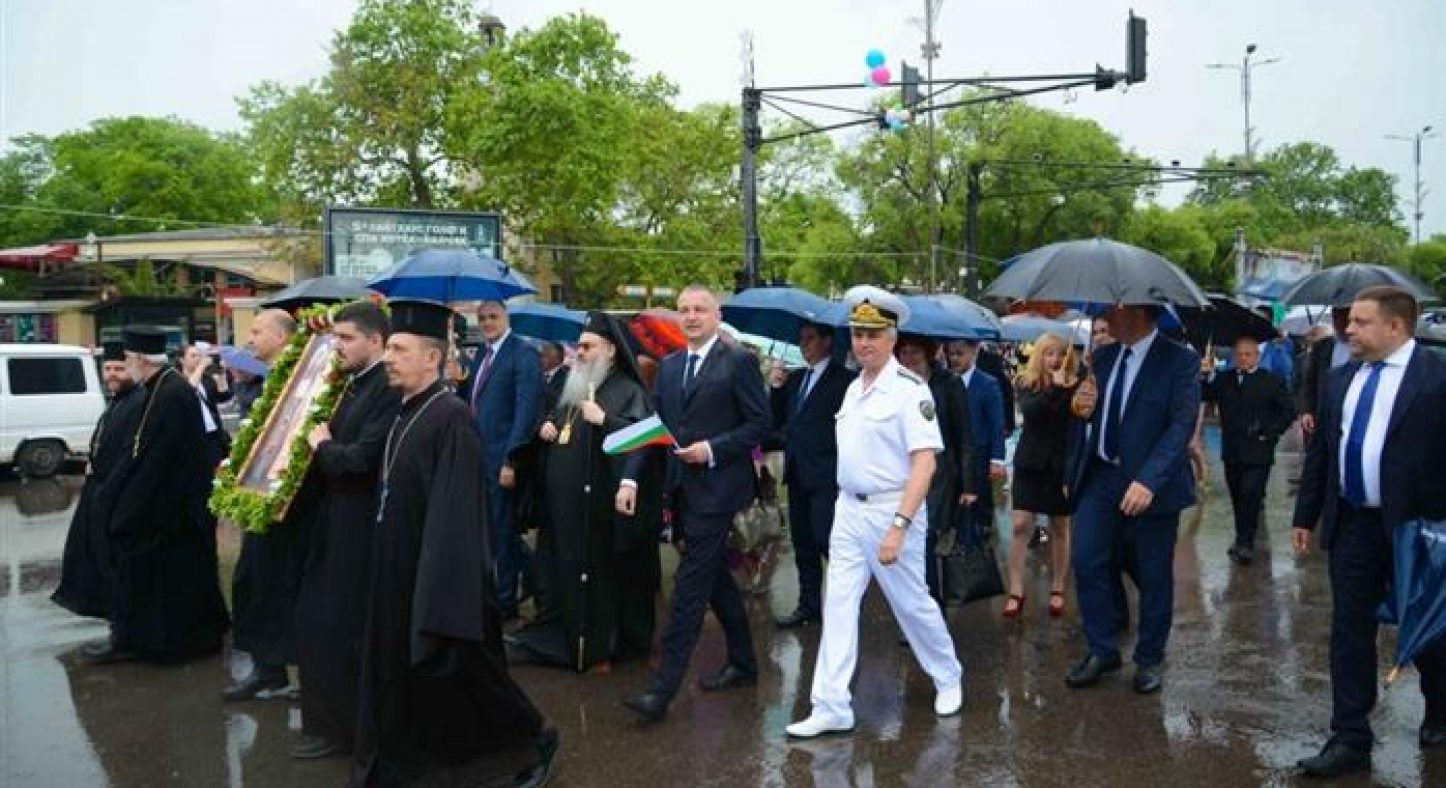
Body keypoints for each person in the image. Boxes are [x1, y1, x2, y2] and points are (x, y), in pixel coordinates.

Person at [353, 299, 558, 788]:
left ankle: (533, 745)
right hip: (402, 571)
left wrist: (439, 596)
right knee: (430, 684)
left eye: (400, 350)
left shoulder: (451, 418)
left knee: (470, 678)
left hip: (443, 582)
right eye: (389, 349)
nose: (388, 359)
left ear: (432, 357)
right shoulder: (406, 412)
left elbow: (456, 516)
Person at [785, 286, 963, 739]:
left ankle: (947, 675)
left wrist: (899, 526)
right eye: (858, 333)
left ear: (892, 338)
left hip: (892, 509)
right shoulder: (852, 389)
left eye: (873, 334)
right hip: (848, 508)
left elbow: (925, 463)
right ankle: (831, 705)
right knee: (839, 604)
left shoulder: (910, 390)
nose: (863, 342)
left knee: (912, 603)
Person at [1292, 286, 1446, 778]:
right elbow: (1322, 452)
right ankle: (1350, 737)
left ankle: (1440, 708)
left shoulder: (1436, 377)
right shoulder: (1340, 378)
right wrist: (1305, 514)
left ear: (1395, 326)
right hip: (1354, 522)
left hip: (1418, 528)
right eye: (1349, 321)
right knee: (1350, 630)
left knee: (1428, 627)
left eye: (1360, 322)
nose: (1348, 330)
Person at [623, 285, 771, 723]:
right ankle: (743, 663)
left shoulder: (738, 361)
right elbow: (653, 427)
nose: (690, 316)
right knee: (715, 578)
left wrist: (711, 449)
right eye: (684, 310)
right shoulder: (670, 367)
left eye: (699, 310)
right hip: (683, 491)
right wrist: (630, 477)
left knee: (689, 588)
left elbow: (760, 424)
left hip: (720, 490)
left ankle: (661, 690)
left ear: (716, 315)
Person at [1064, 304, 1199, 695]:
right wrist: (1081, 405)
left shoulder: (1180, 360)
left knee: (1153, 572)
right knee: (1087, 559)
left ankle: (1149, 657)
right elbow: (1086, 420)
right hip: (1101, 476)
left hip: (1150, 483)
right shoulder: (1103, 357)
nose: (1106, 316)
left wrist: (1149, 480)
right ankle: (1102, 649)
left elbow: (1180, 426)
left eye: (1115, 309)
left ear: (1140, 312)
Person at [508, 312, 655, 671]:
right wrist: (546, 427)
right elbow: (559, 423)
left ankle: (598, 645)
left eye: (588, 347)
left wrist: (605, 420)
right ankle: (562, 633)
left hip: (599, 511)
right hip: (563, 511)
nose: (580, 353)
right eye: (579, 346)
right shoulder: (575, 388)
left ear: (611, 351)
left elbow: (646, 442)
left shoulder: (628, 391)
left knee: (598, 577)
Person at [289, 303, 401, 760]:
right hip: (335, 517)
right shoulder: (351, 383)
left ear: (375, 341)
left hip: (360, 522)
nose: (338, 346)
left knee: (340, 626)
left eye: (347, 338)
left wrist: (322, 445)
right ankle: (330, 723)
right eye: (336, 338)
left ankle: (347, 729)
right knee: (318, 622)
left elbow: (359, 462)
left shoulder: (384, 390)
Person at [96, 326, 231, 662]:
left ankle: (176, 644)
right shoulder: (159, 387)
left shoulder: (172, 393)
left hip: (174, 509)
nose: (126, 364)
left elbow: (161, 458)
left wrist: (129, 504)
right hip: (168, 504)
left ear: (141, 359)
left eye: (128, 359)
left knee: (175, 578)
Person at [226, 308, 308, 701]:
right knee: (252, 582)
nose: (250, 339)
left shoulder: (300, 380)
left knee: (286, 587)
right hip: (261, 498)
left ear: (281, 337)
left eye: (257, 331)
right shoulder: (269, 379)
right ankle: (267, 668)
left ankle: (300, 674)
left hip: (290, 505)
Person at [52, 342, 143, 631]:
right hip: (100, 492)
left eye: (119, 368)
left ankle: (124, 628)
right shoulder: (117, 401)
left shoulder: (139, 402)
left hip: (115, 496)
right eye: (108, 368)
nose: (112, 374)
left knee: (115, 565)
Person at [769, 322, 855, 628]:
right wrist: (776, 388)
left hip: (827, 473)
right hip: (797, 471)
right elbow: (777, 420)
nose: (804, 345)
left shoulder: (845, 381)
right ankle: (809, 606)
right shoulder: (795, 379)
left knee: (825, 538)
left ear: (827, 342)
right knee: (803, 542)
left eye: (810, 339)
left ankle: (847, 603)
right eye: (801, 339)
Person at [464, 300, 542, 623]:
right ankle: (537, 581)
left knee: (503, 532)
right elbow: (476, 404)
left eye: (493, 317)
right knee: (493, 531)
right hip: (478, 459)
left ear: (506, 317)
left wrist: (512, 460)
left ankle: (506, 602)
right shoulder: (481, 356)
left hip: (503, 462)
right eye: (482, 318)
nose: (487, 323)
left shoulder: (523, 354)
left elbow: (526, 411)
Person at [1201, 337, 1296, 566]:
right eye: (1239, 354)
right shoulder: (1224, 379)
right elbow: (1204, 394)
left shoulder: (1271, 381)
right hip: (1232, 449)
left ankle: (1246, 542)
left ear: (1257, 356)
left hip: (1259, 450)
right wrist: (1204, 374)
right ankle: (1240, 537)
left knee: (1250, 494)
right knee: (1236, 495)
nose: (1243, 358)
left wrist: (1270, 433)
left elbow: (1288, 411)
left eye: (1248, 354)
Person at [1006, 332, 1079, 619]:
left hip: (1060, 466)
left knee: (1060, 526)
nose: (1055, 359)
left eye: (1060, 354)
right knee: (1020, 525)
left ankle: (1058, 586)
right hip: (1030, 463)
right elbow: (1032, 412)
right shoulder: (1026, 382)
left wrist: (1067, 386)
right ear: (1039, 356)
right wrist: (1055, 389)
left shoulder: (1075, 384)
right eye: (1049, 353)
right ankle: (1016, 589)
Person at [895, 334, 973, 604]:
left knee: (926, 540)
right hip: (903, 474)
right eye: (903, 352)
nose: (909, 358)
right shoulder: (894, 386)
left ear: (928, 353)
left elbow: (964, 436)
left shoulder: (949, 384)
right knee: (908, 542)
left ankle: (932, 606)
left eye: (915, 352)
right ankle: (918, 605)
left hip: (939, 476)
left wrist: (968, 485)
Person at [944, 340, 1006, 544]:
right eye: (951, 353)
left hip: (979, 453)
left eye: (960, 353)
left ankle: (978, 541)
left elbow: (996, 423)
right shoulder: (946, 382)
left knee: (978, 501)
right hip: (953, 452)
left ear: (973, 352)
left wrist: (997, 459)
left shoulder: (987, 383)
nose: (954, 358)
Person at [181, 343, 232, 467]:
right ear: (182, 360)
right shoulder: (178, 380)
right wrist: (201, 367)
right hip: (193, 436)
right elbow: (189, 390)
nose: (197, 359)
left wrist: (222, 374)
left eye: (199, 355)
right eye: (193, 356)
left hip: (213, 433)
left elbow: (223, 396)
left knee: (217, 467)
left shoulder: (207, 379)